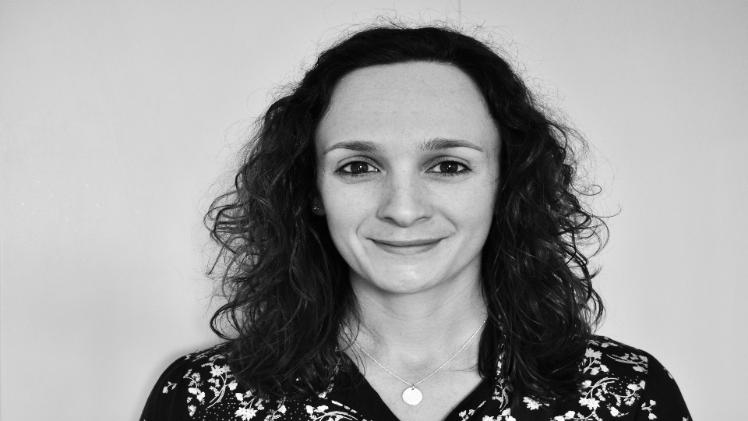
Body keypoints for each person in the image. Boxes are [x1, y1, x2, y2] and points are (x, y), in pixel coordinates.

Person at [140, 25, 691, 421]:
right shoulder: (200, 399)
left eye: (448, 166)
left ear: (506, 184)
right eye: (358, 166)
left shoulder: (628, 394)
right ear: (312, 190)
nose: (402, 209)